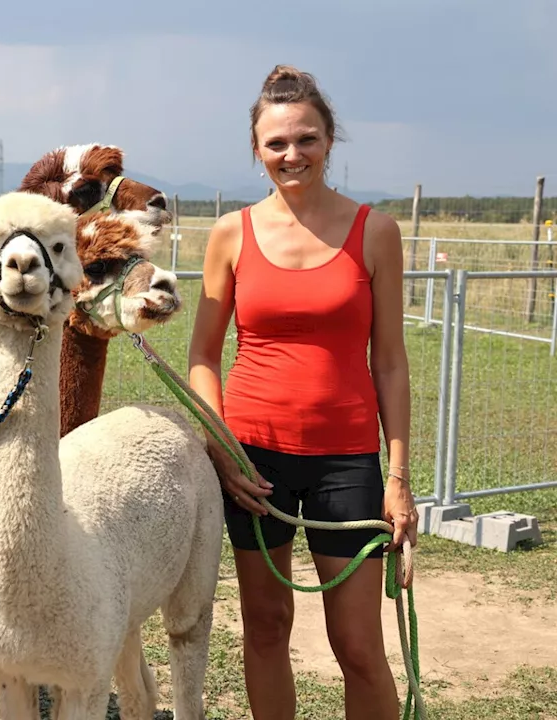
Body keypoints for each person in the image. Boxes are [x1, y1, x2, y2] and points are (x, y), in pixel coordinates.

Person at [187, 64, 418, 720]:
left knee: (358, 646)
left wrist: (397, 476)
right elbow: (202, 355)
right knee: (264, 627)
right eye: (277, 143)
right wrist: (220, 445)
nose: (293, 155)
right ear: (257, 151)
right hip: (254, 462)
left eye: (307, 139)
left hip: (346, 464)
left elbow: (392, 363)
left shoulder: (375, 232)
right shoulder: (232, 234)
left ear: (330, 140)